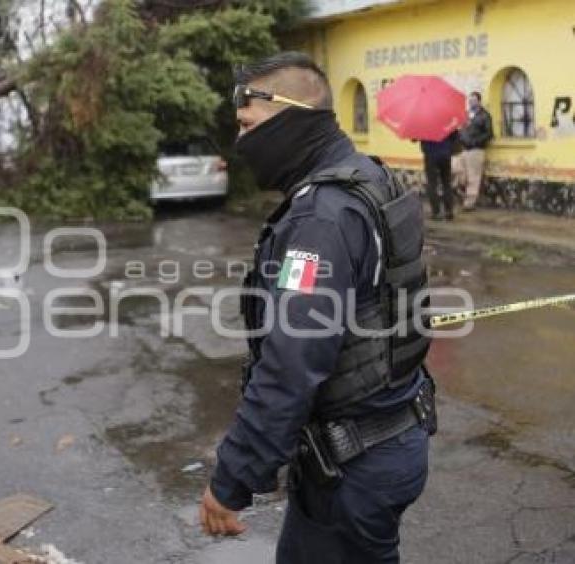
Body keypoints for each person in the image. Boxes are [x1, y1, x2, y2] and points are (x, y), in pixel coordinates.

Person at [199, 52, 437, 563]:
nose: (242, 142)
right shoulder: (367, 175)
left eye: (248, 125)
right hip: (391, 439)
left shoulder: (323, 218)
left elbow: (291, 361)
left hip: (357, 465)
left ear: (291, 119)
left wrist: (233, 478)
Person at [457, 91, 493, 210]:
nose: (471, 102)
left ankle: (469, 203)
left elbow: (489, 134)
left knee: (474, 177)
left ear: (479, 101)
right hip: (464, 149)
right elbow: (461, 129)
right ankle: (464, 195)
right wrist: (461, 137)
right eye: (470, 100)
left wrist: (475, 142)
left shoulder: (485, 115)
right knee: (460, 174)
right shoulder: (466, 115)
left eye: (473, 100)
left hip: (476, 150)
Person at [421, 130, 458, 220]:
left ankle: (436, 212)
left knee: (432, 184)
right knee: (447, 183)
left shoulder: (423, 121)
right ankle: (449, 211)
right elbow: (455, 137)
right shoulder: (447, 120)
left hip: (430, 155)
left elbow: (414, 138)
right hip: (445, 154)